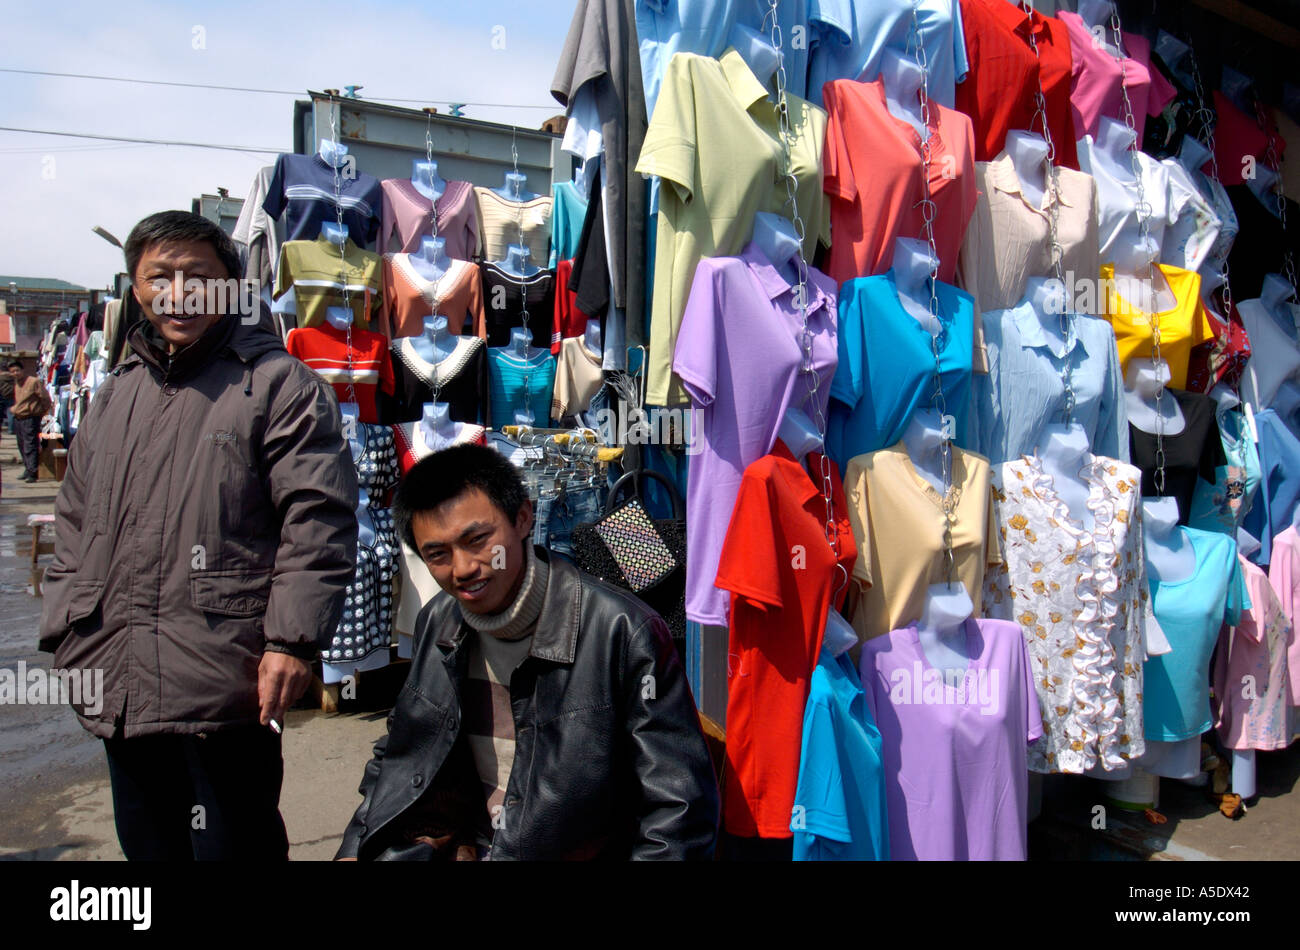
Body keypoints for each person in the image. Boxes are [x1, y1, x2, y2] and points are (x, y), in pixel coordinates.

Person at [38, 210, 359, 861]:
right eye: (161, 276)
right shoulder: (118, 391)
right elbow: (74, 518)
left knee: (233, 846)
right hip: (116, 668)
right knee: (146, 843)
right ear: (136, 290)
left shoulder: (278, 386)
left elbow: (318, 520)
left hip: (227, 674)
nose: (179, 291)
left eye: (199, 277)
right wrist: (67, 627)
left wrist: (292, 643)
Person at [337, 444, 719, 860]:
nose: (463, 568)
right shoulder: (439, 620)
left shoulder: (623, 632)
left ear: (523, 517)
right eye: (437, 554)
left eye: (478, 540)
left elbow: (679, 809)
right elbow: (399, 752)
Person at [9, 358, 51, 482]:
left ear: (23, 370)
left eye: (17, 370)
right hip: (19, 418)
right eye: (13, 371)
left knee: (30, 445)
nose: (15, 373)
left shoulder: (33, 382)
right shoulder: (17, 383)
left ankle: (33, 472)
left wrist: (40, 412)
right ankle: (28, 469)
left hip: (30, 418)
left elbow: (45, 398)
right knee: (21, 444)